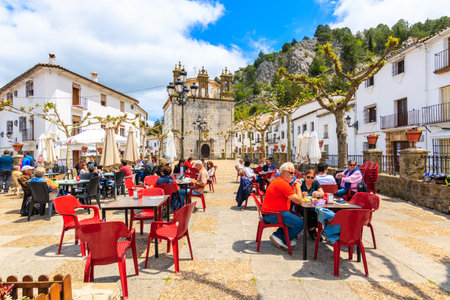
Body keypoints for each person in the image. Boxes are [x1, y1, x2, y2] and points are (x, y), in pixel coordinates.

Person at [262, 162, 304, 250]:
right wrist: (299, 187)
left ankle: (279, 235)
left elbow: (292, 195)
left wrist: (294, 186)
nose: (293, 175)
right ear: (284, 172)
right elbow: (299, 201)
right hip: (273, 214)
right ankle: (283, 238)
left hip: (272, 212)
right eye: (291, 173)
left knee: (296, 217)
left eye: (294, 173)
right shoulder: (282, 184)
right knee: (301, 223)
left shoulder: (279, 181)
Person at [298, 169, 324, 240]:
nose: (310, 179)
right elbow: (295, 194)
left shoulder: (315, 183)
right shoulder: (301, 183)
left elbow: (322, 193)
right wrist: (301, 194)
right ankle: (312, 229)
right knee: (307, 211)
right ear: (305, 177)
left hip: (312, 204)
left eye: (312, 178)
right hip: (301, 205)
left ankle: (311, 228)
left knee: (317, 211)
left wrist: (317, 193)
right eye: (308, 177)